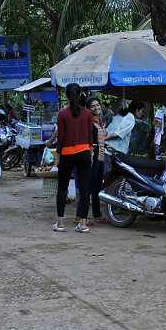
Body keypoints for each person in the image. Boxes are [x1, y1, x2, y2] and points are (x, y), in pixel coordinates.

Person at [53, 83, 93, 233]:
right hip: (84, 153)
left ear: (66, 96)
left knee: (62, 187)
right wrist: (90, 152)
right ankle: (83, 224)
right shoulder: (87, 114)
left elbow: (61, 137)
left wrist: (58, 155)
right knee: (84, 189)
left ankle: (61, 223)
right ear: (80, 95)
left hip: (67, 153)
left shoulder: (62, 114)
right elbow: (89, 135)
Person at [85, 95, 110, 224]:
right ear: (88, 109)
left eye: (98, 105)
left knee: (96, 188)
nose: (96, 107)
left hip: (100, 158)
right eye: (93, 106)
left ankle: (97, 215)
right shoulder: (89, 123)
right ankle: (81, 217)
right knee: (88, 188)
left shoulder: (99, 122)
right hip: (92, 159)